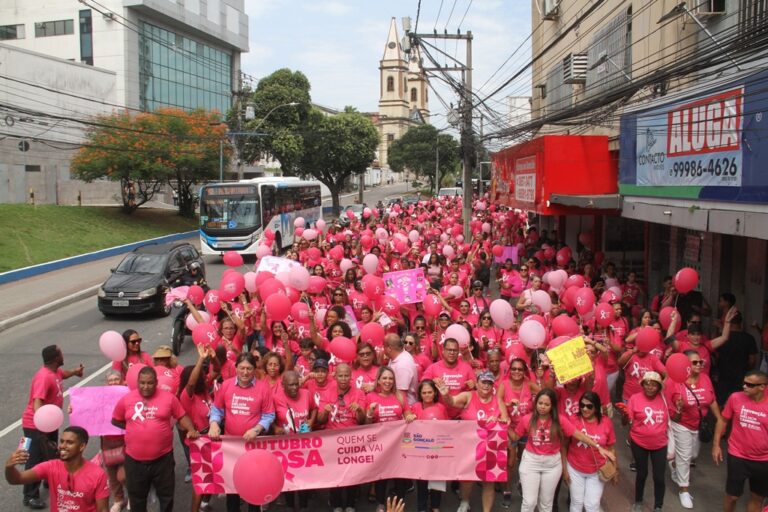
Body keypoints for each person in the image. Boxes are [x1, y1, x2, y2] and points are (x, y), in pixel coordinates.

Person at [508, 388, 613, 512]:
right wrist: (506, 423)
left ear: (552, 406)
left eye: (547, 404)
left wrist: (598, 447)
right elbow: (515, 436)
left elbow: (577, 434)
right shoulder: (527, 419)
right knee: (529, 502)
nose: (542, 407)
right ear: (536, 403)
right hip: (531, 462)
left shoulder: (560, 419)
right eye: (540, 403)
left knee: (546, 504)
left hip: (552, 465)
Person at [111, 366, 198, 512]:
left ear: (156, 382)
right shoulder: (126, 399)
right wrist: (136, 430)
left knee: (166, 497)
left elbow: (182, 416)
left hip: (163, 460)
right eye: (142, 383)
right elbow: (116, 420)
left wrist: (191, 430)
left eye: (150, 383)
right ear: (137, 382)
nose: (145, 387)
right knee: (137, 498)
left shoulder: (169, 398)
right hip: (134, 461)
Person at [21, 344, 84, 509]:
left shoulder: (55, 372)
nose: (63, 355)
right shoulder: (44, 377)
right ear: (56, 358)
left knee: (52, 452)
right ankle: (30, 495)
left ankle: (48, 479)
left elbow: (64, 374)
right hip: (36, 425)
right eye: (61, 353)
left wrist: (76, 371)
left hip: (49, 423)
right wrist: (41, 425)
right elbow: (37, 402)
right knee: (35, 458)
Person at [209, 353, 275, 512]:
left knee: (253, 484)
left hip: (253, 446)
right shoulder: (226, 385)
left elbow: (269, 414)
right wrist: (213, 423)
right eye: (242, 368)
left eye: (249, 368)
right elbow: (217, 409)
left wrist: (257, 429)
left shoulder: (263, 387)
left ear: (254, 370)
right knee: (232, 486)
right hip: (231, 447)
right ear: (236, 368)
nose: (245, 372)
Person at [436, 371, 509, 512]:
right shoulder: (468, 396)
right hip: (468, 445)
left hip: (490, 447)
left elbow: (505, 421)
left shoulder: (498, 401)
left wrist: (498, 420)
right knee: (467, 479)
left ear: (493, 385)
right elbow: (451, 402)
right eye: (483, 382)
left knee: (489, 482)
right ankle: (465, 501)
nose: (486, 386)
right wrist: (445, 394)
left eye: (489, 383)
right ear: (477, 383)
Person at [666, 349, 722, 509]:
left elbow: (711, 400)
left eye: (701, 362)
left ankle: (674, 465)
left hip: (698, 425)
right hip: (681, 425)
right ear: (686, 366)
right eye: (695, 362)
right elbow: (672, 415)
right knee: (684, 456)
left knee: (693, 455)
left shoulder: (705, 378)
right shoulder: (674, 382)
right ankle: (684, 490)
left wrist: (719, 418)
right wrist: (678, 409)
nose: (699, 365)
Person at [6, 426, 110, 512]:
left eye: (69, 442)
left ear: (82, 446)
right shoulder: (50, 467)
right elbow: (16, 479)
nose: (63, 446)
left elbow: (103, 510)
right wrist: (9, 466)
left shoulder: (98, 474)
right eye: (62, 441)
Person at [712, 370, 768, 512]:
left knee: (757, 498)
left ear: (762, 387)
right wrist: (716, 445)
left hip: (764, 459)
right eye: (744, 383)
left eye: (749, 385)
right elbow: (723, 421)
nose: (744, 387)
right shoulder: (735, 398)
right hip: (738, 455)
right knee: (732, 496)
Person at [364, 367, 416, 512]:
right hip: (379, 443)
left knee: (399, 476)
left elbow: (407, 413)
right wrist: (369, 414)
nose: (387, 381)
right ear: (379, 380)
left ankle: (399, 505)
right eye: (384, 378)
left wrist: (410, 416)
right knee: (381, 476)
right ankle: (381, 504)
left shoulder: (399, 396)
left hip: (398, 443)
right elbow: (367, 425)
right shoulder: (370, 397)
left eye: (390, 378)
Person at [317, 364, 366, 512]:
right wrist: (325, 412)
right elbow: (320, 420)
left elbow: (363, 421)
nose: (343, 379)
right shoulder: (327, 393)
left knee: (352, 473)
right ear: (335, 376)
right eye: (340, 376)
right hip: (332, 439)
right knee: (335, 472)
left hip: (352, 439)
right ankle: (336, 503)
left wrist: (359, 410)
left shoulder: (359, 393)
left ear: (351, 376)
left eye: (346, 376)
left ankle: (350, 504)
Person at [620, 371, 669, 512]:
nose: (650, 387)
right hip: (639, 442)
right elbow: (625, 422)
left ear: (659, 387)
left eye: (654, 385)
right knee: (642, 474)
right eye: (647, 384)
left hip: (660, 444)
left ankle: (658, 506)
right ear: (643, 385)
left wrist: (678, 409)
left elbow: (675, 418)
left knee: (659, 477)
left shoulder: (664, 400)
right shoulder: (634, 398)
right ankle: (638, 501)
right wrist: (624, 415)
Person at [562, 392, 617, 512]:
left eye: (589, 406)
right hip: (575, 469)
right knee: (576, 502)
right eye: (582, 405)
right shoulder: (573, 420)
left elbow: (611, 447)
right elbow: (564, 445)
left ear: (596, 407)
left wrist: (615, 469)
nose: (584, 409)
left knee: (591, 505)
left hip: (597, 471)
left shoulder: (606, 422)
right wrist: (565, 469)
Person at [422, 338, 476, 418]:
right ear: (443, 351)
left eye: (454, 350)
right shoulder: (433, 368)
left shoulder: (467, 368)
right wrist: (432, 382)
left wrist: (474, 386)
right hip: (439, 415)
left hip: (460, 417)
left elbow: (477, 393)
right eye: (449, 350)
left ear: (458, 352)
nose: (452, 353)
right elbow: (422, 386)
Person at [715, 312, 758, 405]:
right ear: (741, 322)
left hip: (724, 375)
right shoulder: (749, 338)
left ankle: (721, 418)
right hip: (742, 376)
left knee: (720, 402)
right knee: (740, 403)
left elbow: (716, 355)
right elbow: (752, 360)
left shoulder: (722, 339)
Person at [384, 333, 418, 404]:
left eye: (384, 346)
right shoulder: (395, 356)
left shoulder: (402, 365)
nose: (382, 348)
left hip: (406, 407)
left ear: (389, 349)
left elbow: (401, 395)